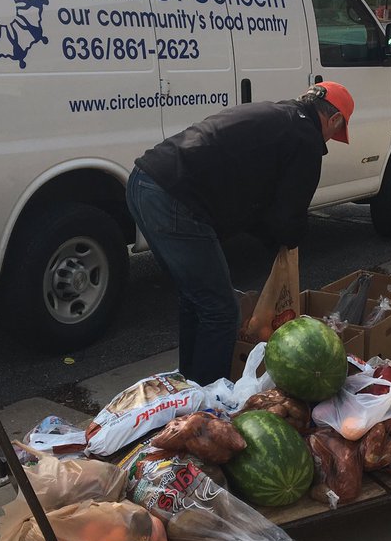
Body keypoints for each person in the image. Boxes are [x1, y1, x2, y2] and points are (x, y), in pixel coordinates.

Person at [125, 82, 354, 385]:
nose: (328, 140)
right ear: (334, 119)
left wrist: (270, 235)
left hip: (144, 183)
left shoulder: (278, 116)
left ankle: (190, 386)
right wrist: (288, 243)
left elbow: (254, 200)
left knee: (197, 299)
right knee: (221, 310)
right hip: (173, 198)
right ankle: (211, 400)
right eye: (334, 132)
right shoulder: (305, 138)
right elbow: (289, 216)